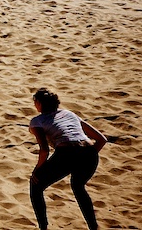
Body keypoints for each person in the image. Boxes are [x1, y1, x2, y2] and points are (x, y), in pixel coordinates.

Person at [29, 88, 106, 230]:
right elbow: (101, 139)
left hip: (66, 153)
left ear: (39, 103)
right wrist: (86, 154)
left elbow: (44, 150)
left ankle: (43, 227)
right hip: (89, 153)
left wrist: (37, 170)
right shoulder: (69, 114)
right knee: (78, 187)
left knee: (36, 185)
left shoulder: (37, 121)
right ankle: (93, 227)